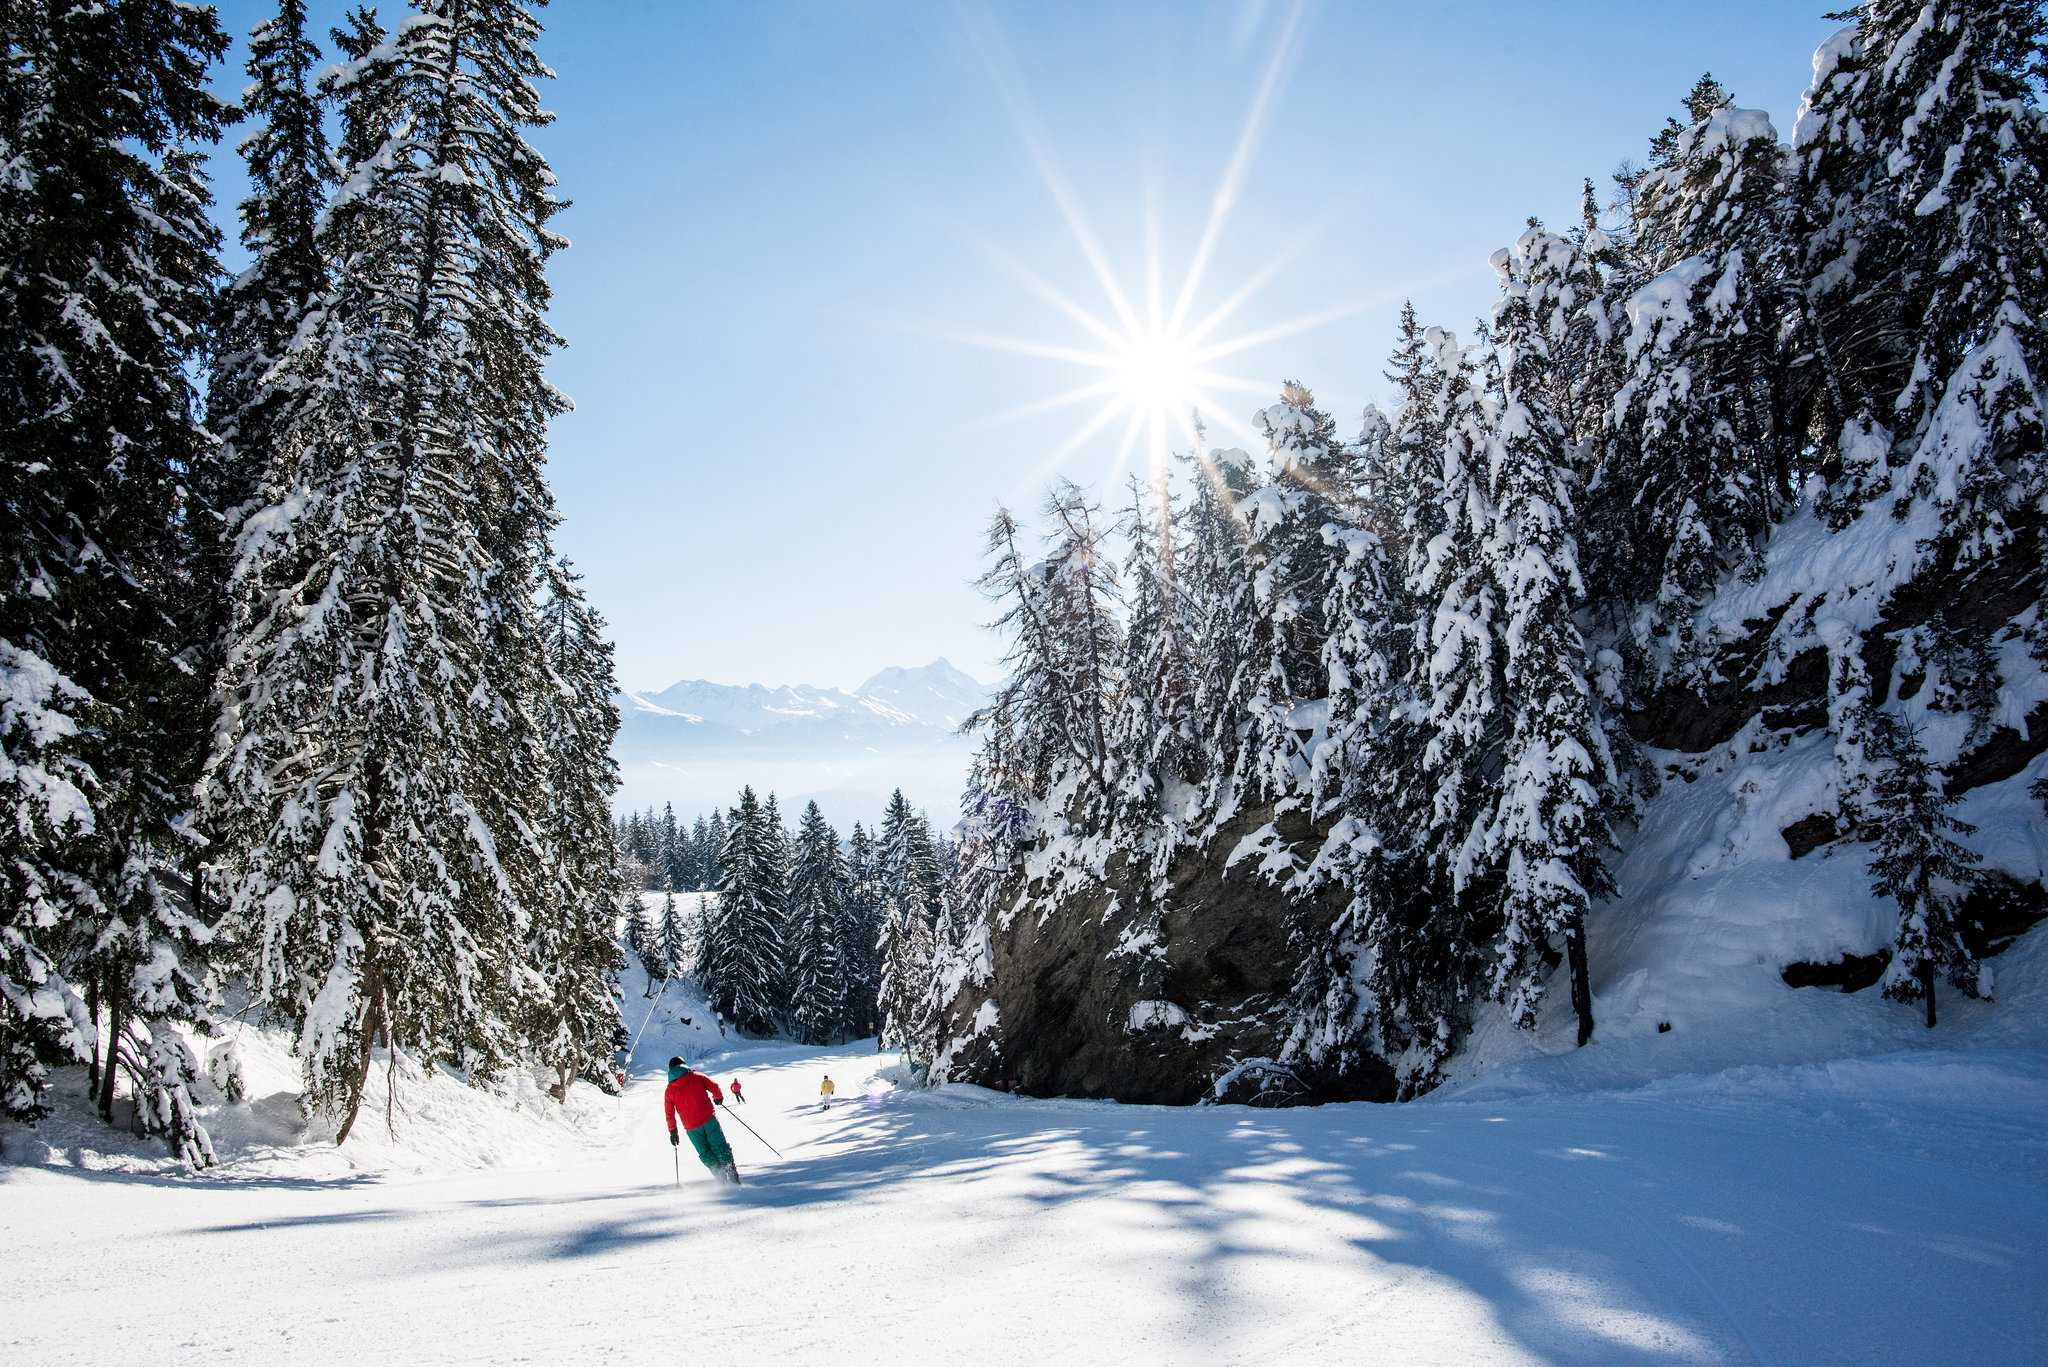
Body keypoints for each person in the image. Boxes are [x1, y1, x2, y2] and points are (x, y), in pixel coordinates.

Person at [663, 1056, 740, 1185]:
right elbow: (714, 1086)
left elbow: (669, 1113)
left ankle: (720, 1177)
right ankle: (731, 1174)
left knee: (705, 1153)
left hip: (692, 1129)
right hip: (709, 1120)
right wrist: (718, 1097)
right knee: (719, 1146)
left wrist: (673, 1131)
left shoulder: (669, 1090)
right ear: (683, 1065)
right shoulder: (696, 1076)